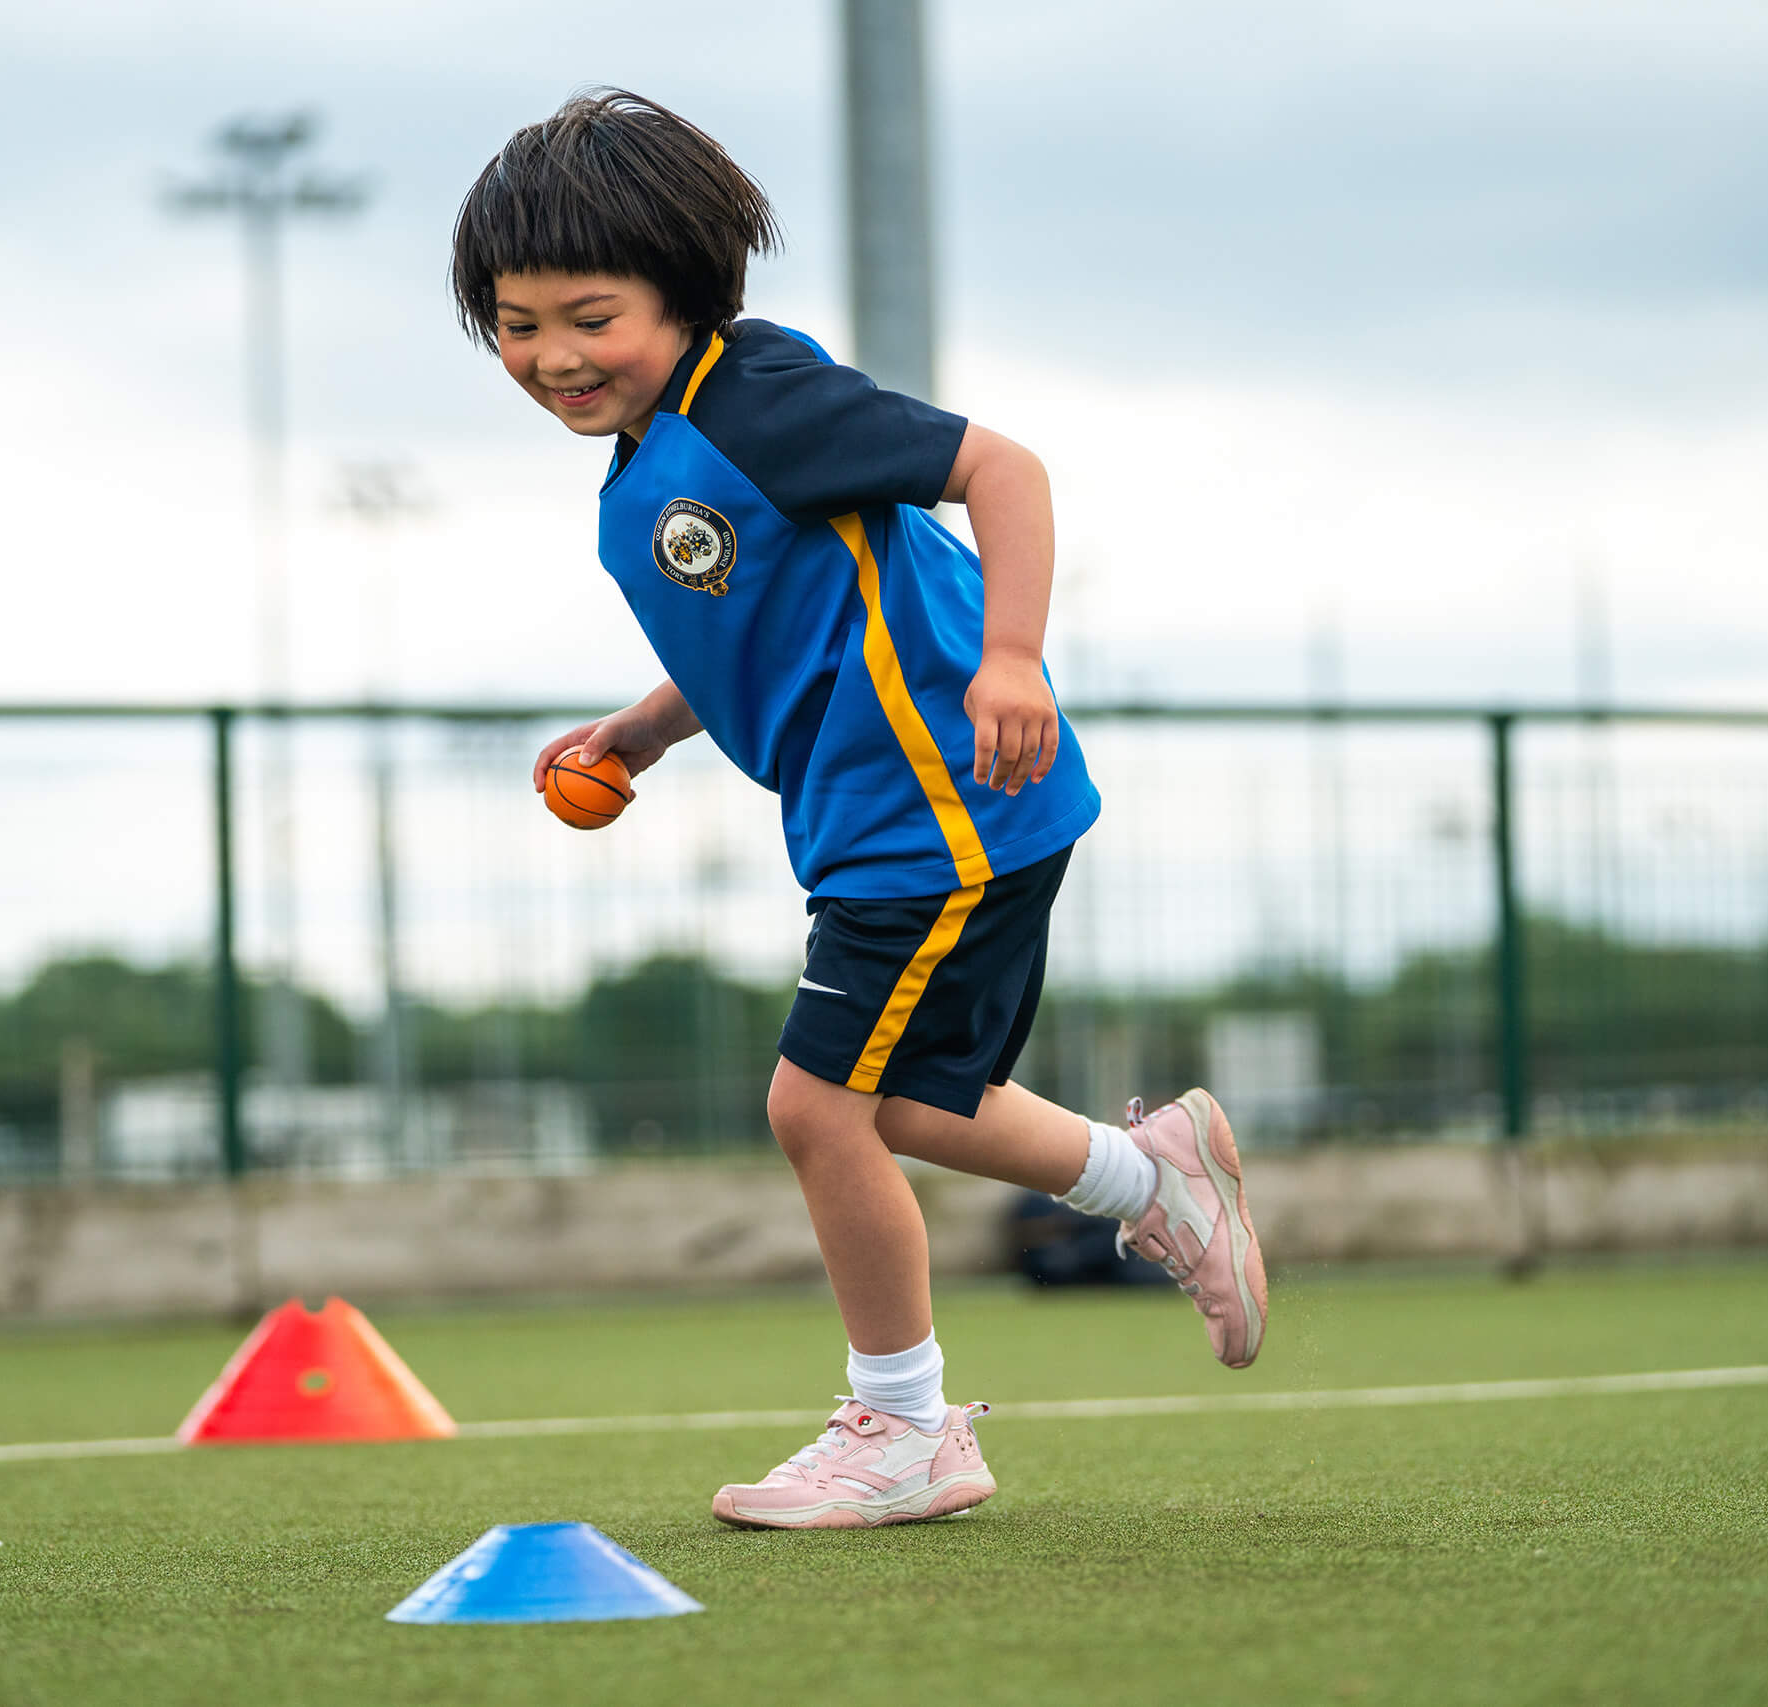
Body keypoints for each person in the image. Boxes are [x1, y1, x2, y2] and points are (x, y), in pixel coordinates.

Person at [451, 89, 1266, 1530]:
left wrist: (1011, 655)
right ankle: (1154, 1175)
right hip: (874, 818)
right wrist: (644, 730)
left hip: (943, 804)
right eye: (517, 325)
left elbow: (997, 469)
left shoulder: (756, 400)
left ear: (684, 295)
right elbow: (775, 623)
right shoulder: (653, 458)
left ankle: (905, 1428)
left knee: (817, 1108)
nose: (554, 357)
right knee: (909, 1103)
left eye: (589, 316)